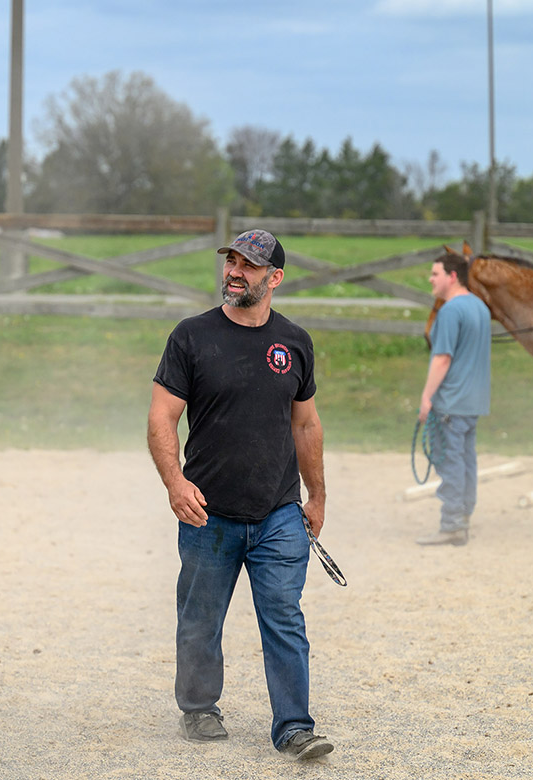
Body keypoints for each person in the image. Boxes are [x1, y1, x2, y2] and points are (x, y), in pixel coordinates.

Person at [147, 229, 333, 761]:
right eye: (231, 261)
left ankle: (295, 727)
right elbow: (162, 418)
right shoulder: (191, 337)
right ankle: (200, 707)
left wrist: (315, 496)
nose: (235, 271)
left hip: (279, 511)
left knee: (284, 616)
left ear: (274, 278)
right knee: (201, 617)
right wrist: (175, 483)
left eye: (248, 265)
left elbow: (307, 424)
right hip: (208, 513)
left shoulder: (294, 342)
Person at [417, 253, 491, 547]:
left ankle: (452, 524)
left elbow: (442, 359)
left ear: (452, 276)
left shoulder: (449, 311)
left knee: (449, 462)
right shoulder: (480, 307)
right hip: (473, 401)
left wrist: (426, 397)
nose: (431, 280)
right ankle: (463, 516)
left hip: (451, 401)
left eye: (435, 274)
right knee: (465, 462)